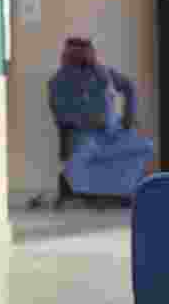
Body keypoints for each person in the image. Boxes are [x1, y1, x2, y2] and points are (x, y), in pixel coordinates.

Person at [48, 37, 156, 203]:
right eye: (77, 52)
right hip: (84, 136)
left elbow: (128, 86)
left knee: (144, 146)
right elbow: (62, 116)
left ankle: (122, 191)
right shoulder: (58, 82)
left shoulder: (104, 73)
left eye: (87, 51)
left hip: (113, 132)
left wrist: (129, 115)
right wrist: (88, 122)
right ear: (68, 55)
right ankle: (101, 193)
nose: (84, 56)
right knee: (86, 155)